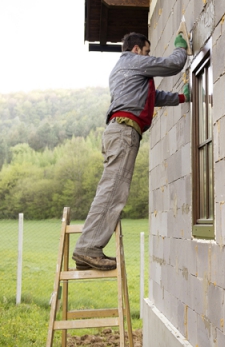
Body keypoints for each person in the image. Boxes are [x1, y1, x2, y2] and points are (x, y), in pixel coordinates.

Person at [72, 31, 189, 271]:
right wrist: (181, 49)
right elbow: (172, 65)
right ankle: (88, 249)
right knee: (113, 191)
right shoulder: (132, 61)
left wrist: (180, 97)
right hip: (124, 133)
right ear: (136, 50)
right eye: (147, 51)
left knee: (112, 189)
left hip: (120, 132)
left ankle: (88, 248)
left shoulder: (126, 69)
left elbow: (150, 96)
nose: (149, 56)